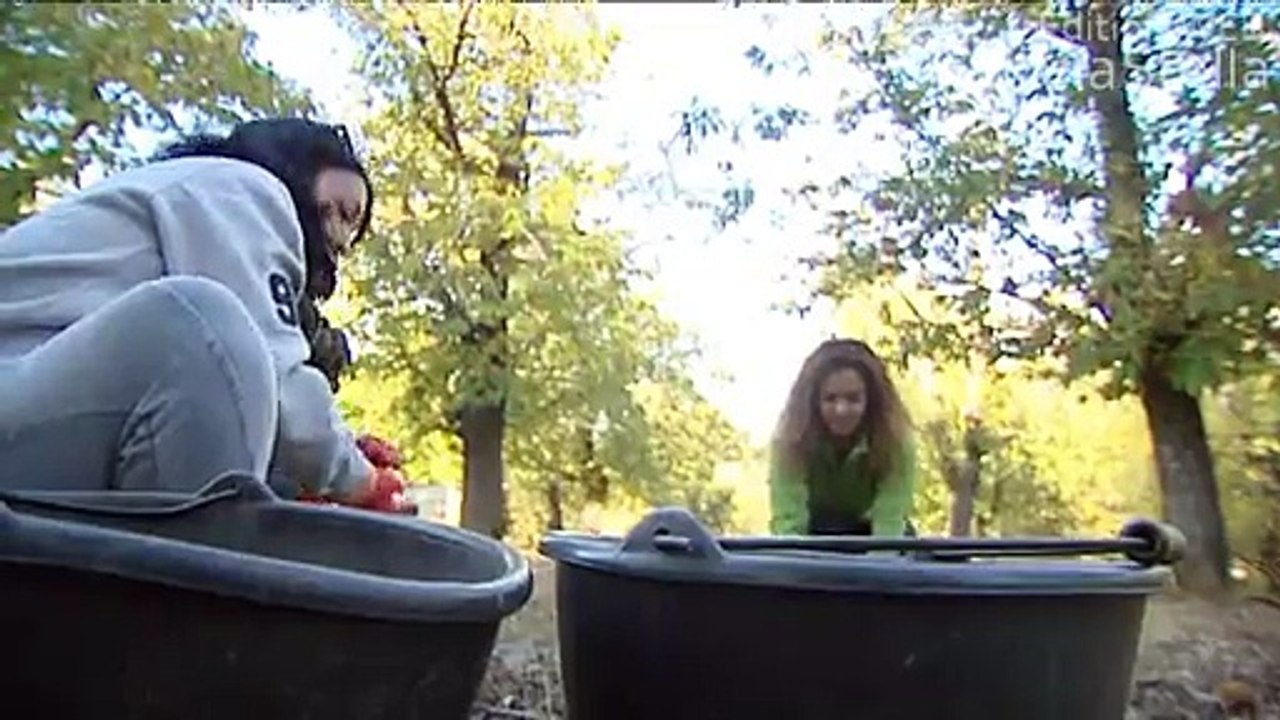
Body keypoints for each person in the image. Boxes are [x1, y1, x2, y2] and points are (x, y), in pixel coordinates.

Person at [0, 118, 391, 507]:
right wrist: (364, 482)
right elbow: (285, 387)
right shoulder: (244, 187)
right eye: (336, 210)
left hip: (35, 420)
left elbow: (243, 407)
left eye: (352, 226)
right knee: (203, 326)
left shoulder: (183, 199)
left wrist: (334, 456)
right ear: (293, 170)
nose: (339, 236)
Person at [768, 338, 918, 537]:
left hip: (874, 537)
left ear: (872, 401)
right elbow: (788, 524)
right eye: (830, 399)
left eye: (853, 399)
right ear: (813, 402)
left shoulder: (896, 443)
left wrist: (876, 565)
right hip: (813, 538)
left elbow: (889, 523)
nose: (841, 410)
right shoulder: (789, 443)